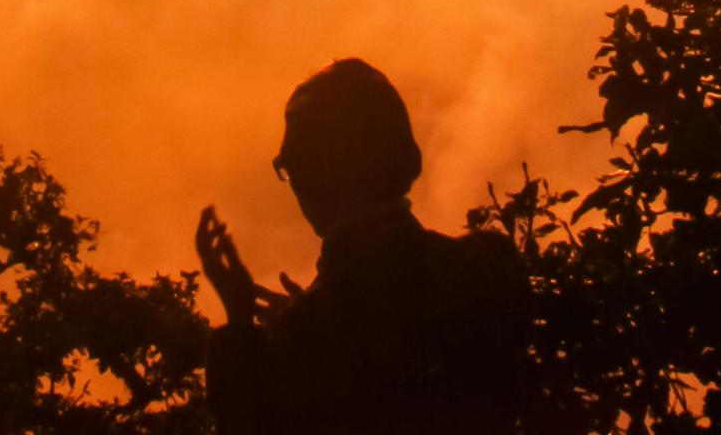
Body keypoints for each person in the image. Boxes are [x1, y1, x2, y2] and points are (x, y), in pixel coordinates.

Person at [195, 58, 529, 435]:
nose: (294, 180)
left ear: (321, 170)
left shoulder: (310, 336)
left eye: (291, 162)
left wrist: (241, 324)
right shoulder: (489, 268)